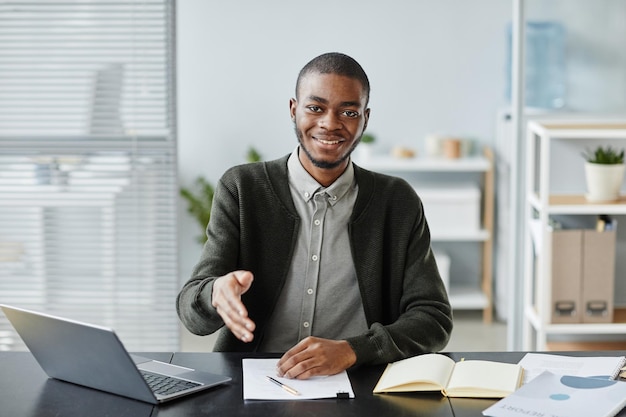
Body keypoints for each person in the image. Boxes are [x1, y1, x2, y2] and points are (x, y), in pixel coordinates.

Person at [176, 52, 453, 380]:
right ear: (294, 110)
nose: (330, 123)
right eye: (315, 108)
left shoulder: (397, 201)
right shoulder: (241, 188)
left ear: (365, 118)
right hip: (253, 380)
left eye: (348, 112)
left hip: (359, 380)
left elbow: (433, 318)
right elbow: (191, 313)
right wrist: (215, 293)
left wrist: (353, 349)